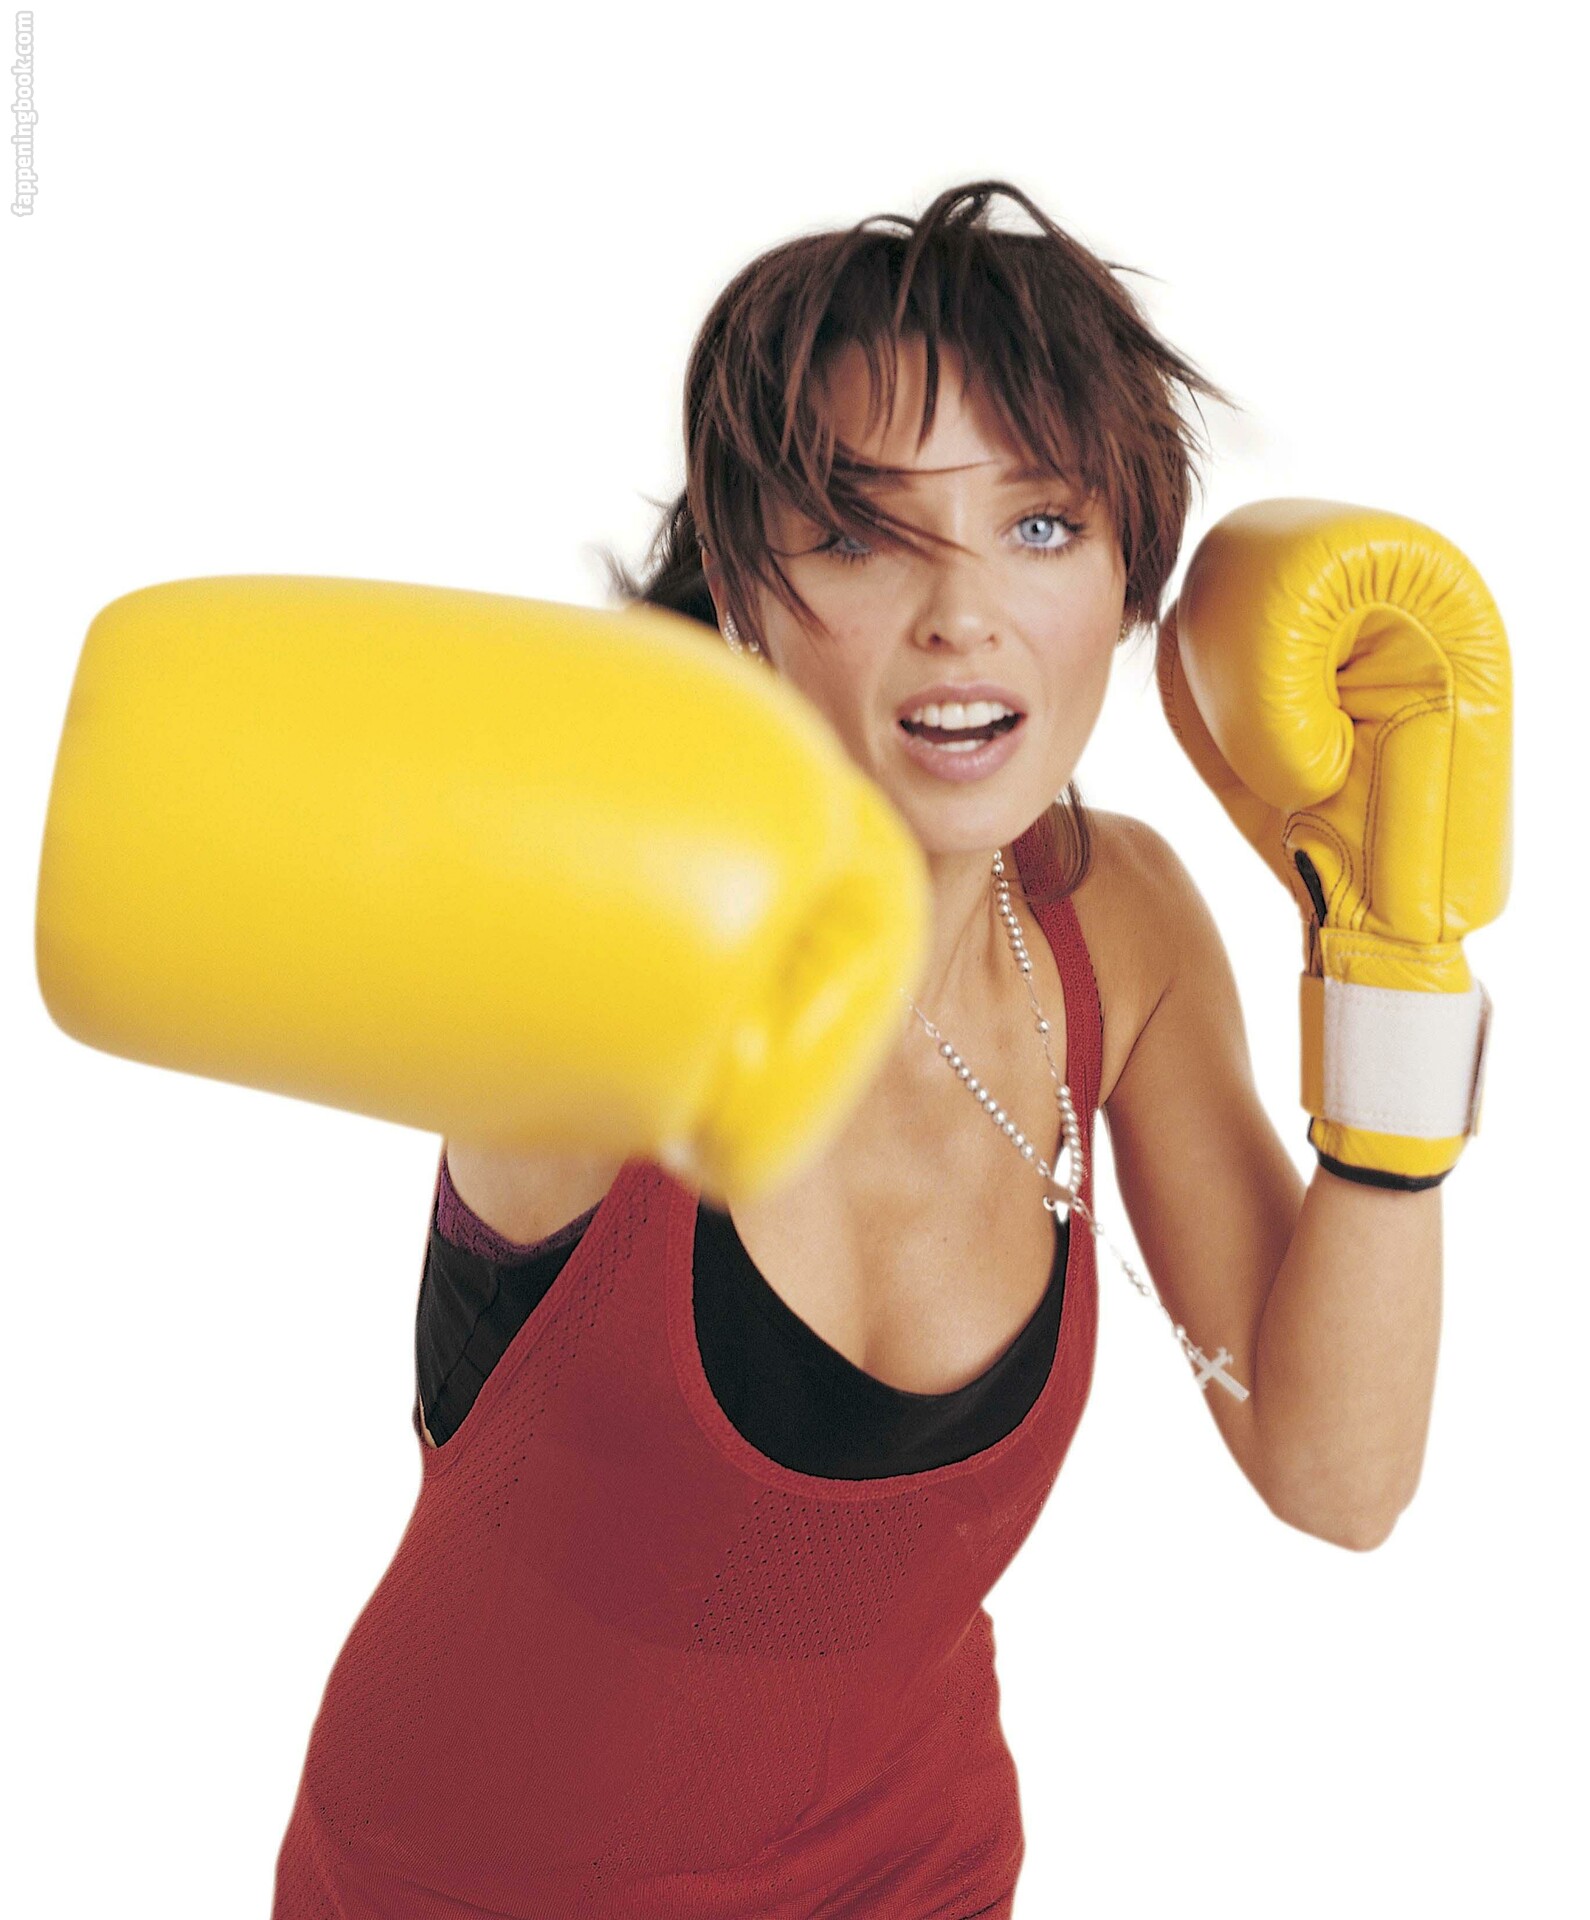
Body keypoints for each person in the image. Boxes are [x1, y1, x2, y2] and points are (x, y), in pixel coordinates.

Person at [264, 179, 1474, 1916]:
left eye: (1039, 524)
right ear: (744, 592)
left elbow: (1333, 1475)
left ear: (1128, 575)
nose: (962, 612)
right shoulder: (609, 951)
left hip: (912, 1866)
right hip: (467, 1885)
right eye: (857, 535)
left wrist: (1391, 970)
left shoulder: (1114, 925)